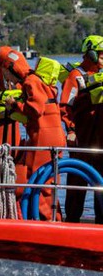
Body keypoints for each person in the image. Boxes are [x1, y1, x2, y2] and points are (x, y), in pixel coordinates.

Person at [0, 47, 65, 221]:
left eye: (6, 73)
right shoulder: (37, 80)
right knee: (49, 179)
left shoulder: (31, 82)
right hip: (53, 134)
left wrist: (14, 105)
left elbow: (36, 109)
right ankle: (53, 216)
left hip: (43, 136)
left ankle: (43, 219)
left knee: (37, 179)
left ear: (11, 68)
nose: (6, 78)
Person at [60, 35, 103, 223]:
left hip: (100, 140)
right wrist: (70, 130)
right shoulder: (75, 76)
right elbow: (64, 107)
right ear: (91, 54)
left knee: (100, 181)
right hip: (82, 139)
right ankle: (72, 219)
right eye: (102, 55)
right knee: (77, 179)